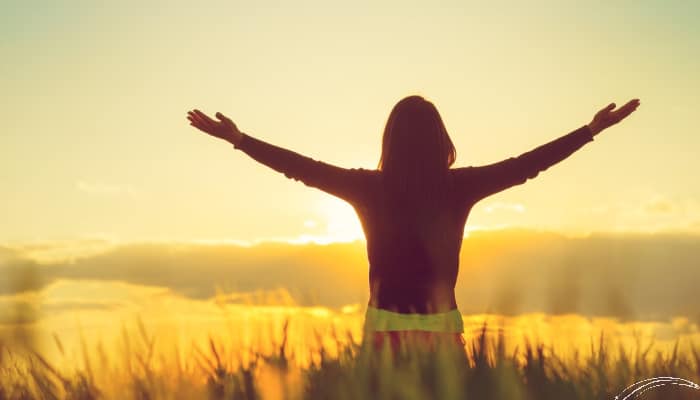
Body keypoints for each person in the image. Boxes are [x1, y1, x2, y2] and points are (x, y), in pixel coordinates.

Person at [186, 95, 640, 354]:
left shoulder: (368, 187)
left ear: (389, 140)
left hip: (382, 337)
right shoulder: (457, 187)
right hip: (443, 337)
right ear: (441, 140)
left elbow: (299, 166)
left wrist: (241, 141)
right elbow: (528, 165)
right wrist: (589, 130)